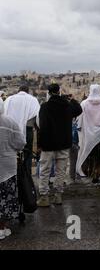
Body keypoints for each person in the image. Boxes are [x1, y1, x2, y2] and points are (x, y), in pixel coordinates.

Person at [36, 83, 82, 207]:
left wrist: (40, 144)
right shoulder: (66, 105)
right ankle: (58, 195)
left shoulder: (45, 107)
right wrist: (71, 99)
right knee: (61, 170)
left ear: (49, 93)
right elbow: (79, 109)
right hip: (63, 143)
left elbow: (42, 125)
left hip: (48, 144)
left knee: (44, 170)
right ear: (59, 92)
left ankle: (44, 197)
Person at [76, 84, 100, 186]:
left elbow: (79, 119)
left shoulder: (84, 103)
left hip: (89, 134)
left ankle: (94, 175)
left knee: (92, 154)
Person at [0, 99, 26, 240]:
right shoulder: (10, 122)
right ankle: (2, 227)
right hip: (7, 167)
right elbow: (21, 143)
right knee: (5, 197)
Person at [4, 86, 40, 175]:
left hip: (10, 131)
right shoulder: (33, 100)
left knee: (11, 153)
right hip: (28, 130)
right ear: (28, 92)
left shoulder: (9, 99)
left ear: (18, 91)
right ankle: (27, 174)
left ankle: (12, 174)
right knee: (27, 154)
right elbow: (37, 117)